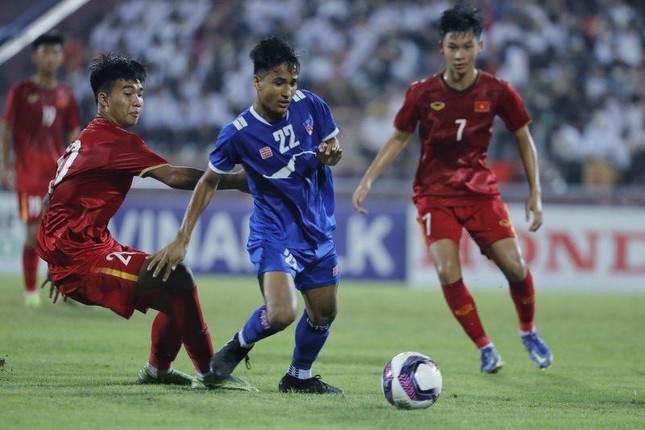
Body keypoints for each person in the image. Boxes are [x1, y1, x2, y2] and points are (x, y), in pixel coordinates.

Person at [352, 5, 553, 374]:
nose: (459, 54)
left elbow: (524, 137)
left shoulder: (499, 91)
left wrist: (534, 192)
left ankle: (528, 330)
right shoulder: (422, 92)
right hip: (435, 193)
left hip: (480, 191)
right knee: (447, 270)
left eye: (466, 46)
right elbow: (399, 137)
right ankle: (486, 347)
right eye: (452, 47)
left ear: (479, 45)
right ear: (440, 48)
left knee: (516, 266)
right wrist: (368, 178)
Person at [35, 52, 252, 390]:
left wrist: (53, 257)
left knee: (171, 288)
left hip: (82, 249)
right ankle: (211, 372)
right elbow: (176, 176)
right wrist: (236, 181)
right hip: (80, 257)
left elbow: (52, 197)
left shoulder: (86, 139)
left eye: (140, 93)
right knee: (175, 275)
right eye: (127, 93)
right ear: (104, 99)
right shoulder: (112, 140)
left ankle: (158, 371)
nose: (137, 101)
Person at [148, 36, 344, 394]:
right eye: (278, 82)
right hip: (274, 231)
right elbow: (208, 182)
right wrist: (182, 237)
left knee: (325, 313)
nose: (287, 91)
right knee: (283, 312)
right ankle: (238, 345)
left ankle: (298, 377)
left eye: (293, 82)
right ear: (257, 82)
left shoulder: (312, 106)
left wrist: (331, 155)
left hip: (317, 229)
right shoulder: (238, 134)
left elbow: (331, 148)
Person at [1, 33, 81, 308]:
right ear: (35, 56)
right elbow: (6, 128)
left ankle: (63, 286)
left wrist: (76, 167)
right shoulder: (21, 91)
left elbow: (74, 133)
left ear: (61, 57)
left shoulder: (65, 95)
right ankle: (30, 290)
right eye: (46, 53)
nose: (51, 58)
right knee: (33, 233)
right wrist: (4, 164)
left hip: (57, 175)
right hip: (28, 173)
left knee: (63, 233)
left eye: (56, 53)